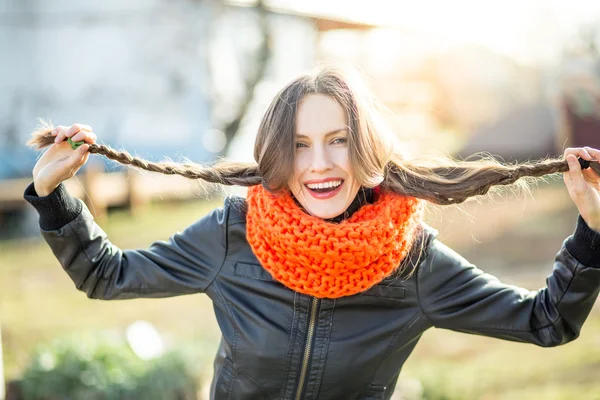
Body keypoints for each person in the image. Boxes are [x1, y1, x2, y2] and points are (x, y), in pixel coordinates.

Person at [24, 67, 600, 399]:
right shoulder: (234, 233)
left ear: (367, 147)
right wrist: (52, 198)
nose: (319, 164)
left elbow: (545, 323)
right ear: (277, 153)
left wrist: (592, 233)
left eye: (339, 139)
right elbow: (106, 276)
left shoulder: (414, 262)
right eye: (299, 145)